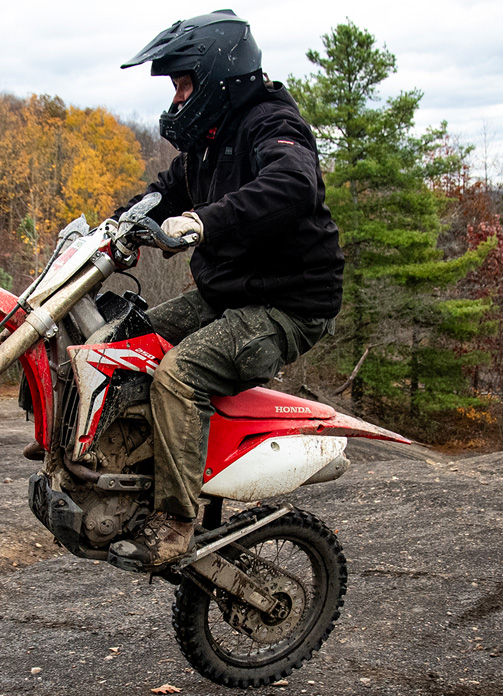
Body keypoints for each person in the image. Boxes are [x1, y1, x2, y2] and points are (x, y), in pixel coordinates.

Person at [108, 10, 345, 567]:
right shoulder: (207, 142)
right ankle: (105, 458)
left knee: (178, 375)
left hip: (288, 304)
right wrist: (119, 226)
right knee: (122, 337)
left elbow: (291, 183)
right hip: (232, 293)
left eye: (183, 83)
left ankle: (175, 519)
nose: (176, 98)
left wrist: (204, 221)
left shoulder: (271, 122)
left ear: (216, 74)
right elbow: (164, 191)